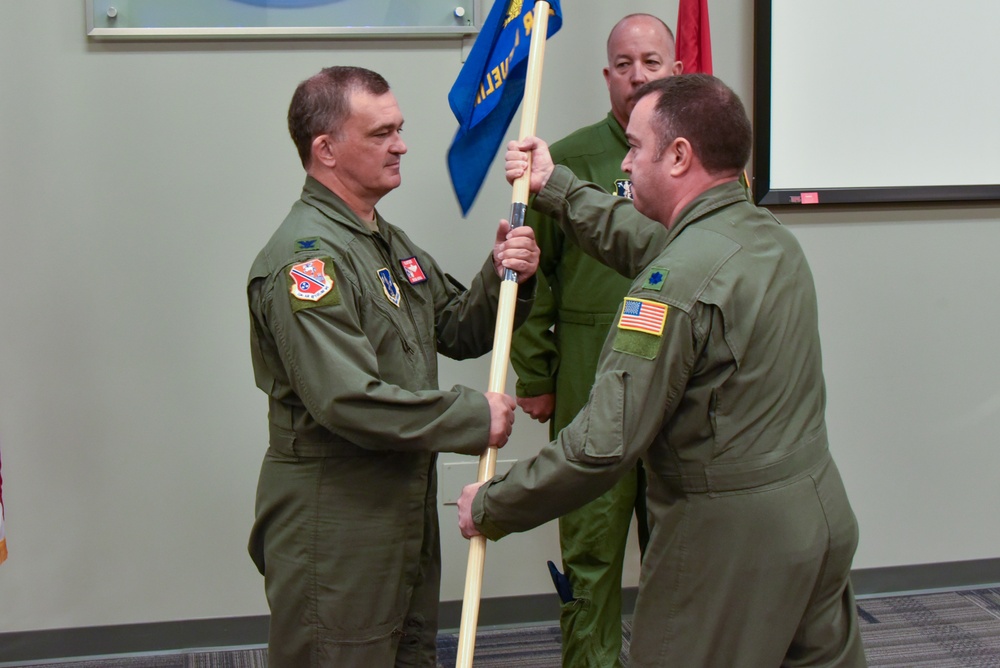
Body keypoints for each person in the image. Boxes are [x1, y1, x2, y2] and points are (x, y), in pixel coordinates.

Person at [459, 74, 867, 667]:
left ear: (678, 156)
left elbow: (603, 445)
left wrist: (493, 503)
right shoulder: (763, 235)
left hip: (731, 545)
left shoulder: (673, 283)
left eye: (633, 147)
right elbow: (651, 244)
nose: (624, 164)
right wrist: (559, 187)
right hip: (817, 516)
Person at [246, 65, 540, 668]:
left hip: (400, 502)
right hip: (339, 516)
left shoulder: (384, 241)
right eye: (381, 133)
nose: (401, 144)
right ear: (325, 150)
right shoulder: (308, 261)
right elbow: (345, 398)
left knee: (406, 654)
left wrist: (505, 272)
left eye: (399, 129)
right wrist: (471, 417)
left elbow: (459, 327)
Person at [508, 14, 681, 666]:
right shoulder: (568, 158)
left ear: (675, 70)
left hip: (673, 377)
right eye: (625, 63)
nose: (638, 75)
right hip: (589, 370)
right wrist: (536, 374)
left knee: (682, 555)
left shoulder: (705, 164)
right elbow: (536, 274)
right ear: (607, 73)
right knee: (590, 551)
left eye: (652, 62)